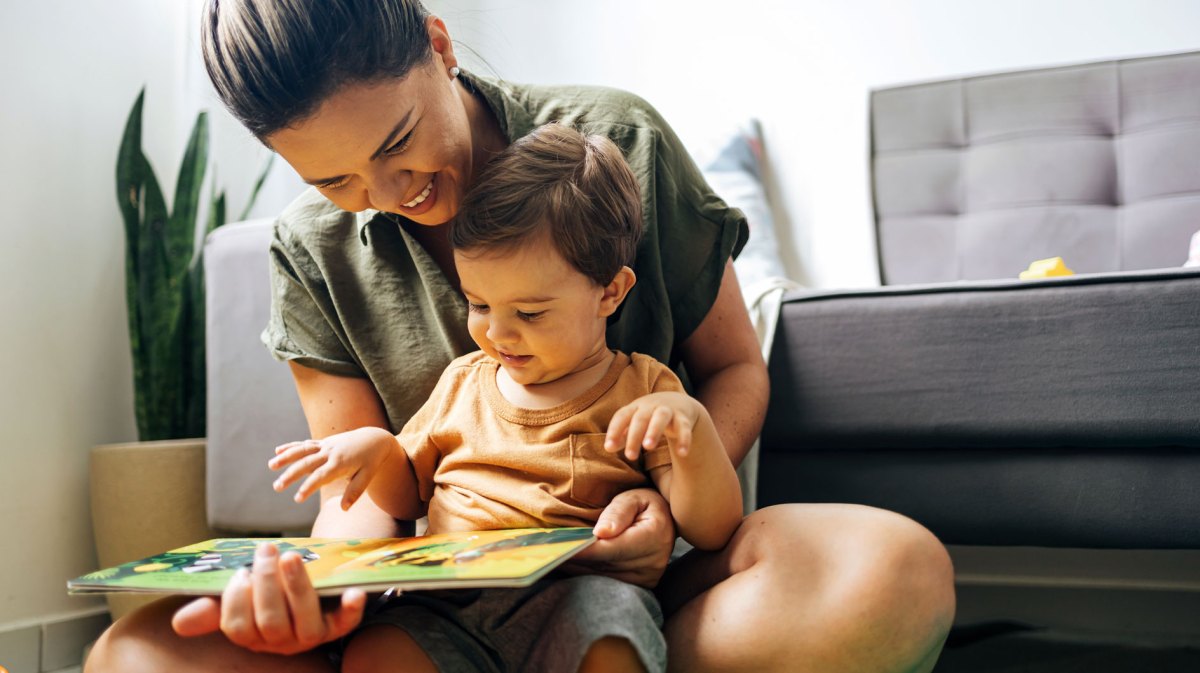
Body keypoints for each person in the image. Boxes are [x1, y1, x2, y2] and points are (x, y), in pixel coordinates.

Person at [86, 1, 956, 672]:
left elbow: (733, 368)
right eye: (335, 177)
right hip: (438, 605)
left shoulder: (617, 142)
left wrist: (669, 501)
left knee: (894, 573)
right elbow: (363, 486)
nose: (390, 191)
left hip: (631, 578)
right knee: (137, 653)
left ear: (438, 44)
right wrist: (328, 589)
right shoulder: (310, 247)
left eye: (398, 142)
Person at [265, 123, 744, 673]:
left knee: (614, 641)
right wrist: (375, 453)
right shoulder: (462, 383)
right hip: (448, 604)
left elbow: (713, 527)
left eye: (530, 313)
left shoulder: (644, 391)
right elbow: (407, 500)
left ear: (610, 292)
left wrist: (693, 433)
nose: (498, 334)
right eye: (479, 304)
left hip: (579, 596)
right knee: (378, 651)